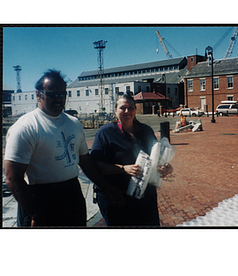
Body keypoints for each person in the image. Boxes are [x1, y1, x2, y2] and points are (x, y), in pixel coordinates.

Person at [4, 69, 124, 227]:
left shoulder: (73, 123)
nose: (59, 99)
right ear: (38, 95)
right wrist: (35, 213)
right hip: (39, 197)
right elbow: (13, 178)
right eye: (53, 94)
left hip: (71, 193)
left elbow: (85, 160)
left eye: (63, 94)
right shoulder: (26, 127)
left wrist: (106, 187)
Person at [90, 93, 173, 226]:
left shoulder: (146, 130)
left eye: (131, 107)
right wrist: (123, 168)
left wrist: (166, 168)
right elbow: (95, 165)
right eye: (123, 108)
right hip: (118, 197)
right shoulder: (105, 133)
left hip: (145, 197)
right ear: (115, 110)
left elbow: (157, 157)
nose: (127, 111)